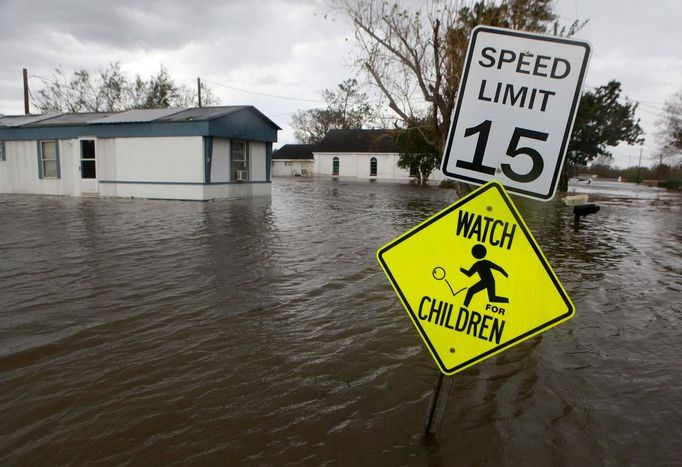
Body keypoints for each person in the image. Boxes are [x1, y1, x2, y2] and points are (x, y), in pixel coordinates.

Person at [460, 244, 509, 308]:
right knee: (472, 291)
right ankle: (464, 306)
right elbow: (469, 274)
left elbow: (499, 268)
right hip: (486, 281)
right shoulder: (479, 264)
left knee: (491, 298)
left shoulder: (481, 263)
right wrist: (461, 269)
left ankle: (508, 300)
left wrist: (507, 276)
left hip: (489, 282)